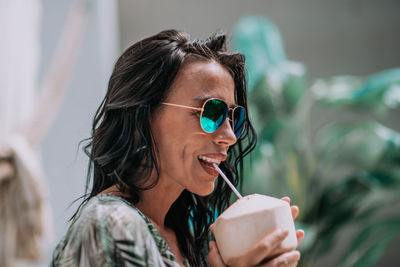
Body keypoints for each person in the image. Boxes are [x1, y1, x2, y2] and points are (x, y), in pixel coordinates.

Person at [50, 29, 304, 267]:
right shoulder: (111, 225)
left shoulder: (184, 239)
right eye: (211, 112)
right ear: (141, 117)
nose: (229, 136)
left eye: (233, 118)